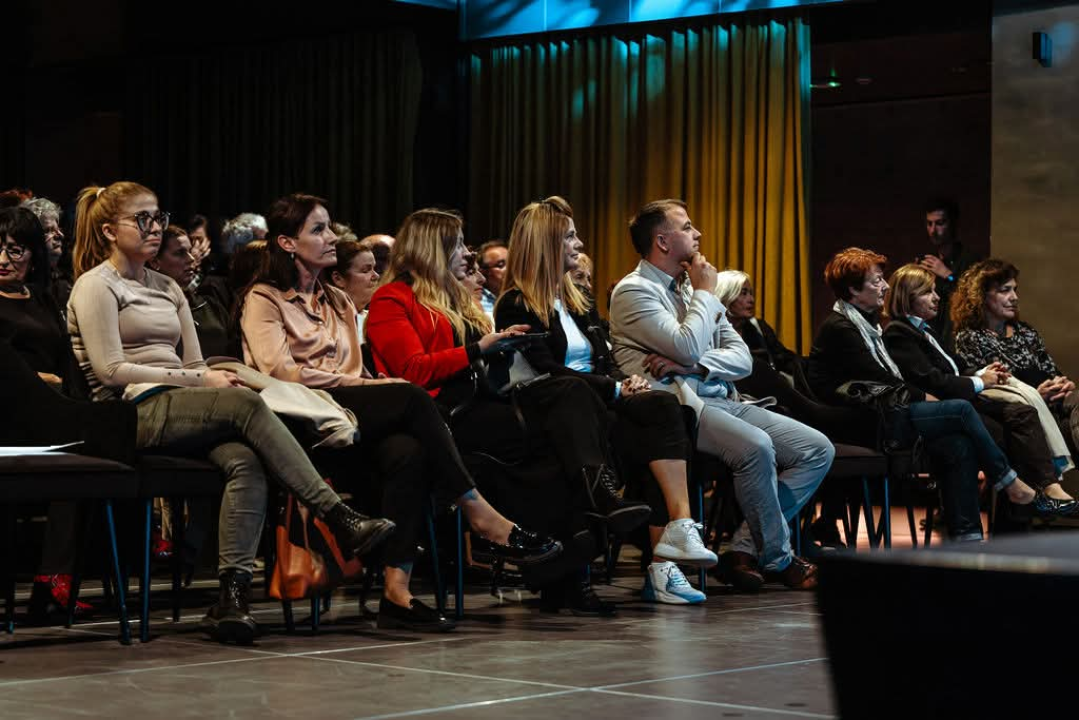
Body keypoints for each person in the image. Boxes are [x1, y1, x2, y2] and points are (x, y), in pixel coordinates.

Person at [68, 181, 395, 643]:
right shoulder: (95, 285)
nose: (155, 228)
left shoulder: (167, 287)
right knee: (244, 401)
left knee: (245, 461)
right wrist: (204, 382)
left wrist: (202, 379)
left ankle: (232, 596)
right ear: (107, 230)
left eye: (158, 217)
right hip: (125, 413)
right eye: (143, 219)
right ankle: (336, 515)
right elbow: (111, 369)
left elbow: (196, 362)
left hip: (185, 406)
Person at [240, 193, 561, 631]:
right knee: (410, 394)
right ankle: (480, 513)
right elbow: (281, 373)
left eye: (329, 226)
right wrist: (366, 386)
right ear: (287, 243)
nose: (332, 236)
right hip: (298, 421)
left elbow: (353, 367)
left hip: (347, 413)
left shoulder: (337, 300)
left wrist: (363, 385)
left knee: (409, 452)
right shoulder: (264, 298)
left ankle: (397, 591)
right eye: (318, 230)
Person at [366, 207, 650, 615]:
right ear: (433, 248)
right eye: (458, 244)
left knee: (562, 439)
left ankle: (566, 571)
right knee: (566, 403)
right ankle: (588, 523)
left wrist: (501, 346)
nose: (467, 252)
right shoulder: (392, 299)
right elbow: (412, 370)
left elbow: (478, 360)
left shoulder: (454, 298)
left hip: (484, 403)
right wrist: (479, 348)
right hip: (440, 415)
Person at [496, 196, 717, 605]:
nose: (578, 244)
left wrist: (626, 381)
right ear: (547, 244)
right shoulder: (516, 303)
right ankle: (609, 503)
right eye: (570, 237)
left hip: (592, 401)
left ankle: (677, 535)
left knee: (665, 408)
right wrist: (612, 388)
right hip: (547, 409)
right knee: (592, 398)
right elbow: (546, 369)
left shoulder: (578, 300)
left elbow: (605, 357)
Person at [610, 199, 833, 592]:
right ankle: (780, 559)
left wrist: (694, 365)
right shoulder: (635, 291)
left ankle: (743, 549)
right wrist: (705, 296)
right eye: (688, 226)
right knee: (756, 447)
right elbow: (688, 344)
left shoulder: (691, 289)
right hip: (679, 411)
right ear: (662, 241)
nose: (698, 234)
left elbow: (741, 358)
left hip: (720, 396)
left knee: (817, 449)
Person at [806, 248, 1053, 544]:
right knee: (961, 410)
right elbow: (884, 380)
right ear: (852, 290)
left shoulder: (866, 323)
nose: (884, 286)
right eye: (876, 281)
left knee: (958, 444)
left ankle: (968, 538)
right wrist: (930, 399)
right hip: (864, 422)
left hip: (886, 413)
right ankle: (1006, 479)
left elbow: (901, 379)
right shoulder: (842, 328)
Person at [883, 263, 1076, 514]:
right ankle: (1032, 494)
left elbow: (958, 368)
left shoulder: (925, 331)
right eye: (928, 292)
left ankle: (1044, 490)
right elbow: (933, 380)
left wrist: (985, 372)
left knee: (1028, 413)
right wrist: (982, 381)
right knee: (1016, 424)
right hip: (941, 411)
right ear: (908, 298)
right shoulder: (900, 331)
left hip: (988, 401)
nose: (937, 297)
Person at [0, 206, 101, 621]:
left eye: (15, 250)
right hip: (8, 417)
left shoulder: (44, 299)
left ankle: (52, 583)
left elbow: (66, 364)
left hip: (51, 417)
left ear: (33, 256)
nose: (3, 260)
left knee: (85, 460)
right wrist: (35, 380)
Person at [952, 259, 1079, 459]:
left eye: (1015, 290)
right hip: (1016, 412)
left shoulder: (1026, 331)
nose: (1014, 297)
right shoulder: (970, 338)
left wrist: (1063, 383)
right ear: (982, 296)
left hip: (1055, 404)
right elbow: (985, 393)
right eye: (1005, 290)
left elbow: (1052, 371)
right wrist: (1036, 395)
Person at [150, 225, 238, 359]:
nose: (191, 258)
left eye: (190, 251)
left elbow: (236, 349)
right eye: (179, 253)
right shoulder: (145, 310)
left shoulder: (209, 304)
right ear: (155, 261)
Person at [918, 198, 982, 350]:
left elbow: (974, 301)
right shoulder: (927, 261)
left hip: (958, 340)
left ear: (952, 224)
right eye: (929, 224)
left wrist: (948, 275)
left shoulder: (970, 260)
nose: (933, 230)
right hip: (931, 339)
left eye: (940, 223)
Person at [326, 238, 380, 341]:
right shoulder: (327, 324)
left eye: (374, 269)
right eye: (365, 270)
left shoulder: (378, 320)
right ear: (338, 279)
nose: (376, 276)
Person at [477, 239, 508, 315]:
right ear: (484, 271)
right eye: (501, 265)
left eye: (511, 263)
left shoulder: (520, 297)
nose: (509, 269)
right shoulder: (477, 302)